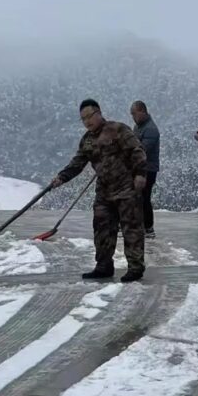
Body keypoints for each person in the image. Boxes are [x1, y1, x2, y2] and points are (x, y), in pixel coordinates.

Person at [52, 99, 148, 282]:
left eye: (89, 116)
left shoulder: (118, 129)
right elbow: (77, 163)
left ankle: (135, 268)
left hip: (127, 188)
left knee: (131, 229)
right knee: (102, 229)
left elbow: (138, 150)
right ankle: (104, 266)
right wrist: (61, 177)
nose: (87, 121)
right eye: (83, 119)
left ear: (99, 113)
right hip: (104, 191)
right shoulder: (87, 140)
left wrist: (140, 174)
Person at [130, 100, 160, 238]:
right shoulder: (138, 127)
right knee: (136, 197)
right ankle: (137, 225)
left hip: (148, 169)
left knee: (144, 197)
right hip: (138, 168)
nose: (133, 117)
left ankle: (148, 228)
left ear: (142, 111)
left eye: (134, 114)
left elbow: (142, 150)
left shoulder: (151, 129)